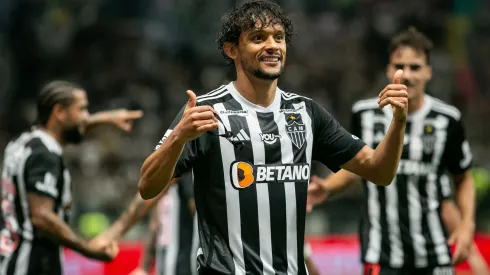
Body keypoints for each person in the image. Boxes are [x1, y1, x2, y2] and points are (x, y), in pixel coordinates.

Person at [137, 1, 409, 274]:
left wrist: (398, 123)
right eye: (258, 38)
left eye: (278, 37)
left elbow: (380, 171)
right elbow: (148, 186)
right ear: (232, 49)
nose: (272, 46)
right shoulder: (206, 111)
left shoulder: (306, 112)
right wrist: (178, 139)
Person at [307, 27, 476, 275]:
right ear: (388, 69)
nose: (407, 75)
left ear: (428, 72)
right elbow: (359, 167)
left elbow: (462, 177)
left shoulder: (447, 119)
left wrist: (466, 225)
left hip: (435, 255)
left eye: (415, 67)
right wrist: (328, 188)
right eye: (399, 65)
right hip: (381, 254)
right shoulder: (364, 114)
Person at [0, 80, 143, 275]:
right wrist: (88, 249)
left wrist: (104, 118)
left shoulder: (21, 143)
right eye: (82, 109)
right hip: (32, 265)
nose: (86, 117)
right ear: (59, 112)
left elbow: (71, 128)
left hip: (9, 257)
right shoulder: (45, 154)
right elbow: (42, 216)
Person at [118, 171, 199, 275]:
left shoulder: (187, 177)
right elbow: (154, 225)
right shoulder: (168, 189)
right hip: (169, 262)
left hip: (184, 262)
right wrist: (144, 267)